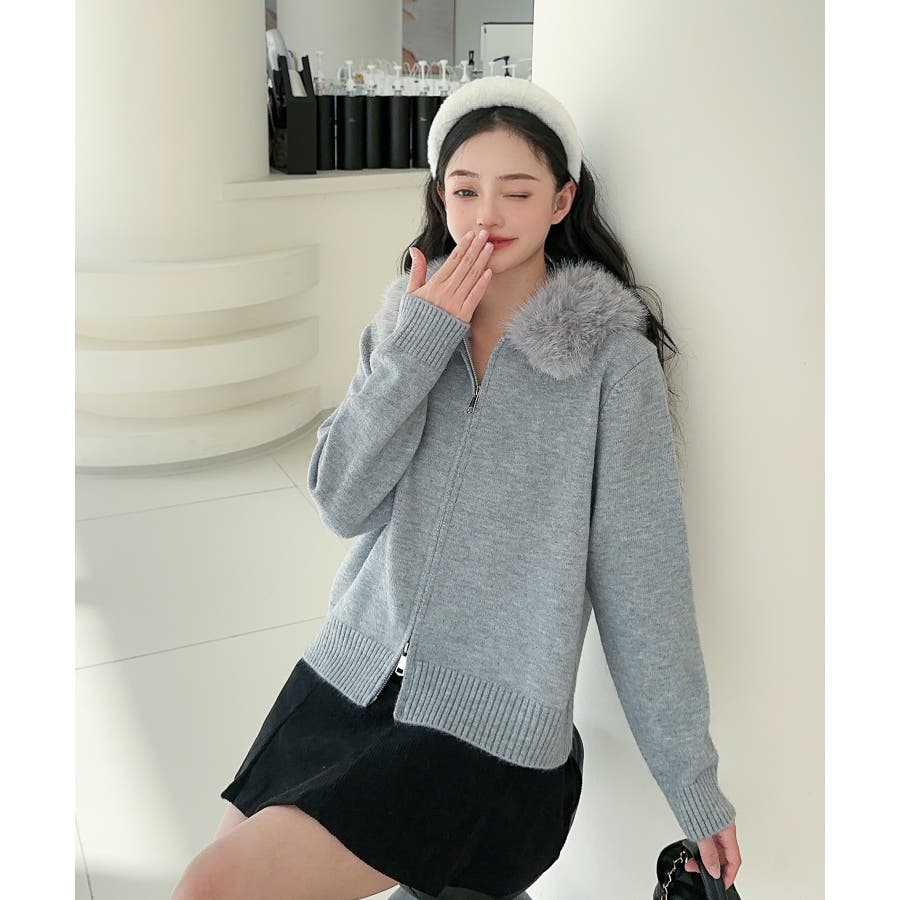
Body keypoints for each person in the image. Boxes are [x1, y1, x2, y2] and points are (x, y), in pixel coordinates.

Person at [171, 76, 742, 900]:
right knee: (215, 881)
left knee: (212, 885)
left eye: (518, 191)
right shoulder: (409, 321)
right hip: (351, 676)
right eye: (466, 190)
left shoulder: (611, 365)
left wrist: (691, 779)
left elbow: (643, 584)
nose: (487, 216)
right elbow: (340, 502)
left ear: (562, 201)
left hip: (488, 733)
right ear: (441, 197)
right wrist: (419, 343)